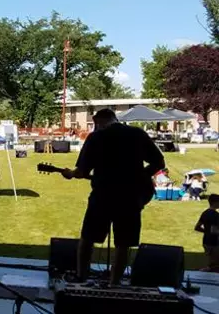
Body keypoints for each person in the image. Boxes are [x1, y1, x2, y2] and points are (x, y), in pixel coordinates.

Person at [61, 108, 165, 284]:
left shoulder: (96, 138)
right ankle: (114, 283)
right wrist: (141, 176)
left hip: (103, 195)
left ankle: (81, 276)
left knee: (88, 238)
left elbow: (82, 171)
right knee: (123, 243)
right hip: (131, 197)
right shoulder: (137, 134)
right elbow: (159, 162)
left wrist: (70, 174)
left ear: (99, 121)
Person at [195, 194, 219, 272]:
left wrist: (206, 231)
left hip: (206, 241)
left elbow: (197, 227)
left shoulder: (205, 213)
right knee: (215, 266)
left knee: (212, 263)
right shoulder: (216, 215)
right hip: (214, 242)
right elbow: (214, 231)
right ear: (215, 202)